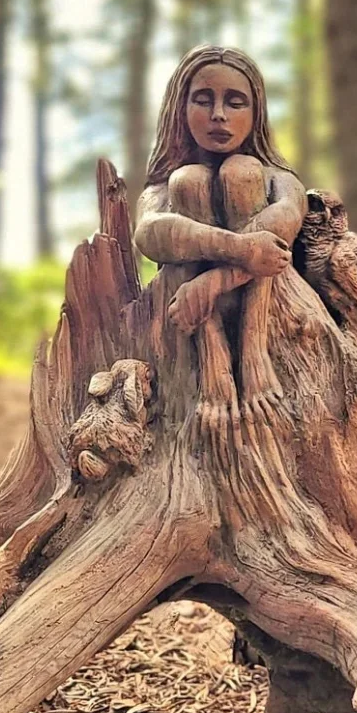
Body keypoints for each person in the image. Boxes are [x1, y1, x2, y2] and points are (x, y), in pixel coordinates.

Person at [134, 45, 307, 427]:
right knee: (188, 181)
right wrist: (240, 249)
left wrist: (214, 281)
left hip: (265, 306)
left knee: (243, 172)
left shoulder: (278, 179)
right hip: (189, 320)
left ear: (256, 113)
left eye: (235, 102)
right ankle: (212, 356)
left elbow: (283, 226)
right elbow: (149, 233)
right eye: (203, 99)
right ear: (180, 108)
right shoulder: (161, 188)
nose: (218, 114)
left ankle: (252, 352)